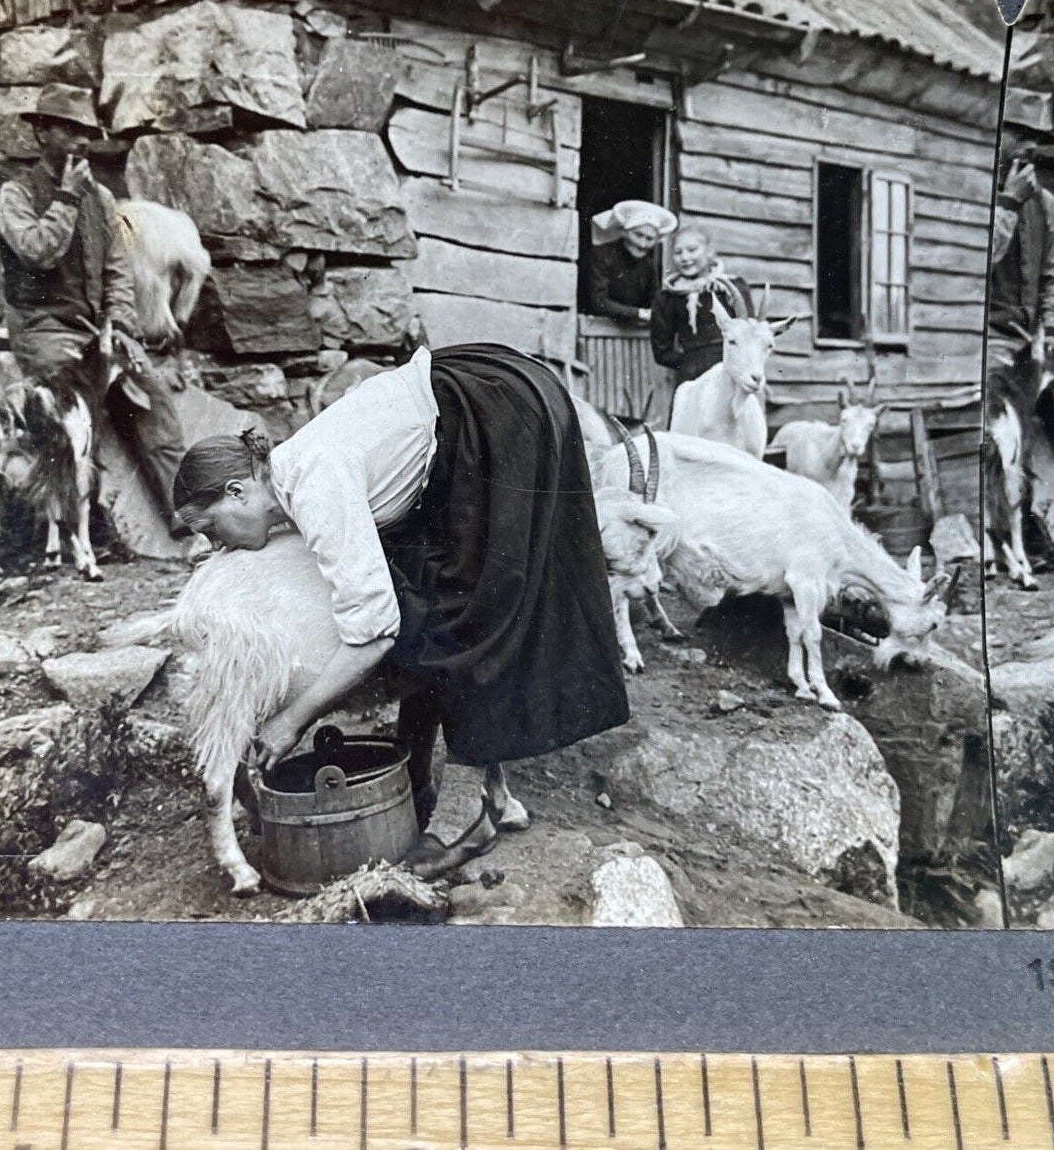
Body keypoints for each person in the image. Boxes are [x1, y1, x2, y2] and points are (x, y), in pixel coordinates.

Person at [173, 342, 629, 868]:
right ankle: (419, 781)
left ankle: (469, 816)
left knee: (476, 614)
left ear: (237, 491)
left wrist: (292, 720)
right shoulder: (293, 475)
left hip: (501, 414)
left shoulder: (315, 483)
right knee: (426, 594)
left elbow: (374, 634)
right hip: (469, 401)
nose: (213, 545)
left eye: (209, 529)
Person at [0, 83, 187, 535]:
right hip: (44, 330)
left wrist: (121, 326)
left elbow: (118, 270)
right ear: (42, 133)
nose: (81, 141)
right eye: (69, 129)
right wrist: (64, 197)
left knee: (152, 399)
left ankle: (185, 514)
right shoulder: (15, 195)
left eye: (86, 131)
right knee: (75, 410)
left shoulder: (99, 198)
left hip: (95, 330)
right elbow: (37, 252)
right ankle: (86, 529)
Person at [987, 155, 1054, 374]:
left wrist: (1053, 330)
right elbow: (980, 259)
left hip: (1032, 340)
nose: (1028, 151)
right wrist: (1009, 203)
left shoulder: (1044, 202)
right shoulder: (978, 194)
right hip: (988, 341)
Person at [650, 223, 753, 386]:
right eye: (678, 252)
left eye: (692, 250)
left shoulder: (731, 288)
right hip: (692, 376)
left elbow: (749, 334)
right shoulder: (668, 298)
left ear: (709, 251)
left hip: (731, 372)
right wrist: (690, 362)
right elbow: (662, 352)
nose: (684, 258)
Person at [586, 199, 678, 323]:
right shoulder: (602, 255)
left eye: (649, 239)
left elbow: (653, 301)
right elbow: (598, 301)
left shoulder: (648, 265)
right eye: (638, 235)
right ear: (624, 232)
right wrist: (639, 313)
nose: (643, 244)